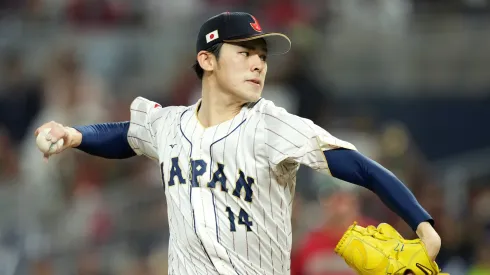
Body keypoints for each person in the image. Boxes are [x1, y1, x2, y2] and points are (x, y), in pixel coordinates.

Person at [34, 11, 441, 275]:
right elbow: (127, 134)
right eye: (244, 52)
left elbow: (360, 167)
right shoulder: (170, 124)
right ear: (207, 60)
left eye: (261, 55)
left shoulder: (272, 126)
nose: (258, 62)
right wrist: (75, 135)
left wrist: (422, 222)